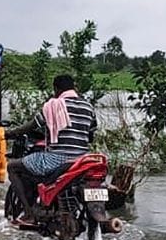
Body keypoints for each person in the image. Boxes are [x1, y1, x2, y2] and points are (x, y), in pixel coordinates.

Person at [6, 74, 97, 223]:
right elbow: (91, 133)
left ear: (56, 89)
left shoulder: (52, 106)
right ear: (74, 88)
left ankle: (29, 213)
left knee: (12, 167)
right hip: (82, 160)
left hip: (57, 159)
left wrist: (9, 133)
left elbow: (30, 127)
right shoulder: (88, 107)